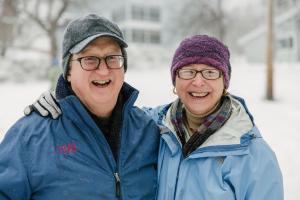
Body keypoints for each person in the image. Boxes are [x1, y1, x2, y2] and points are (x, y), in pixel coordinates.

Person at [25, 35, 284, 199]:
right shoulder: (153, 126)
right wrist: (64, 101)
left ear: (224, 82)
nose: (198, 81)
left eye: (210, 72)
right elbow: (103, 113)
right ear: (175, 80)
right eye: (188, 71)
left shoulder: (252, 154)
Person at [0, 14, 160, 199]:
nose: (103, 70)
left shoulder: (148, 131)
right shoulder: (31, 137)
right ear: (68, 71)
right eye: (89, 59)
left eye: (112, 58)